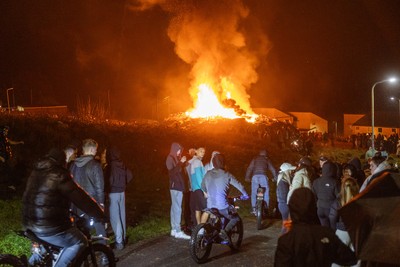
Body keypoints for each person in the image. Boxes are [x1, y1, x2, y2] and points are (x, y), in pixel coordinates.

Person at [22, 148, 105, 267]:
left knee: (47, 247)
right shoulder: (59, 174)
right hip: (47, 225)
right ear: (62, 161)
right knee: (79, 241)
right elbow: (80, 198)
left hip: (29, 221)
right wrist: (99, 214)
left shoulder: (36, 171)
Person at [274, 187, 358, 267]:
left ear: (292, 208)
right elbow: (349, 258)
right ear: (313, 207)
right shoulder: (326, 234)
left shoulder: (286, 240)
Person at [200, 153, 248, 243]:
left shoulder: (208, 173)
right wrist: (245, 195)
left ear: (213, 163)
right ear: (223, 163)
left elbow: (202, 186)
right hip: (222, 206)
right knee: (235, 218)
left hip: (210, 205)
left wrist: (208, 192)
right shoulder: (227, 174)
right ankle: (224, 232)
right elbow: (240, 186)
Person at [69, 138, 107, 244]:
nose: (96, 152)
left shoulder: (73, 165)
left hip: (77, 204)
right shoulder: (95, 165)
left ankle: (83, 256)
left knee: (81, 231)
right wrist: (101, 204)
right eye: (95, 150)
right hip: (92, 203)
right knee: (99, 229)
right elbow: (99, 188)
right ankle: (105, 256)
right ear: (91, 150)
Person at [104, 146, 133, 250]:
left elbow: (108, 180)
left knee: (115, 218)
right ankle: (123, 237)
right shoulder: (122, 164)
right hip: (122, 192)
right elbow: (130, 175)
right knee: (122, 215)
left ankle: (119, 242)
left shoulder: (110, 166)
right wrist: (123, 184)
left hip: (113, 193)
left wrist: (109, 187)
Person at [329, 177, 360, 267]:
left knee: (337, 259)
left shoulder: (338, 202)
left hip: (342, 232)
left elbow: (332, 217)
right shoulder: (361, 201)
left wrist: (334, 230)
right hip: (356, 233)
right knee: (355, 260)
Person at [166, 142, 191, 240]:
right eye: (178, 150)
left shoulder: (175, 158)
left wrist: (183, 163)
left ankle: (174, 229)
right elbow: (172, 173)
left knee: (174, 207)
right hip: (175, 186)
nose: (180, 152)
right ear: (174, 149)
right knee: (177, 208)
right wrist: (181, 163)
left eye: (180, 150)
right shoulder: (170, 158)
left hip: (178, 186)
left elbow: (179, 171)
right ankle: (178, 230)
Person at [245, 149, 277, 214]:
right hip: (263, 176)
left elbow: (250, 168)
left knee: (254, 192)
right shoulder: (266, 159)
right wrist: (275, 178)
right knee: (266, 192)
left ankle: (254, 208)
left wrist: (247, 177)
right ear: (266, 154)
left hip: (255, 177)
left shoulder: (255, 159)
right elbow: (272, 169)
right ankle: (266, 208)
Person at [312, 161, 340, 228]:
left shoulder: (316, 181)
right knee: (333, 230)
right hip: (331, 209)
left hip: (320, 209)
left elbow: (313, 195)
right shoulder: (335, 182)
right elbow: (339, 196)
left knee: (325, 229)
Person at [188, 147, 206, 225]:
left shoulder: (193, 162)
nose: (203, 153)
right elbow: (199, 178)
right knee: (208, 209)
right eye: (201, 151)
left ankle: (198, 229)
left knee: (197, 209)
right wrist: (204, 191)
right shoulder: (197, 162)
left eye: (204, 152)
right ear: (196, 152)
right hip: (199, 188)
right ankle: (202, 227)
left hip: (194, 189)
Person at [276, 163, 296, 233]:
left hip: (283, 205)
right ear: (287, 171)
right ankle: (284, 240)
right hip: (285, 205)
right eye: (290, 170)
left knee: (286, 225)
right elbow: (284, 196)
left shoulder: (283, 180)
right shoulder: (283, 182)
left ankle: (284, 240)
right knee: (287, 225)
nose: (291, 171)